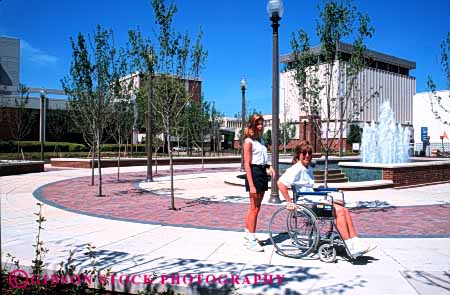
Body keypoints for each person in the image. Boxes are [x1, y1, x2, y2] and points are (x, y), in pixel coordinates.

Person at [277, 141, 376, 258]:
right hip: (306, 205)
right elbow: (280, 183)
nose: (307, 155)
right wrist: (289, 202)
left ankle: (355, 242)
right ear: (298, 154)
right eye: (304, 153)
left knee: (344, 210)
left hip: (312, 200)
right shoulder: (296, 169)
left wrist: (322, 194)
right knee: (339, 211)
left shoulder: (307, 168)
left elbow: (309, 189)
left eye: (309, 153)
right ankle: (350, 245)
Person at [243, 114, 275, 252]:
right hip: (254, 174)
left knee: (256, 208)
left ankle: (248, 234)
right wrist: (251, 185)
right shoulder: (248, 141)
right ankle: (251, 240)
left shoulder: (261, 140)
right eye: (258, 124)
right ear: (252, 125)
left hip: (261, 172)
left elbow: (262, 159)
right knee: (254, 209)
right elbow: (247, 165)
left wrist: (269, 167)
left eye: (262, 123)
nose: (260, 126)